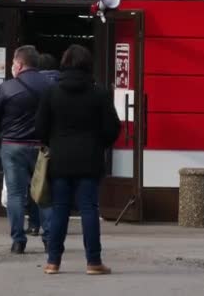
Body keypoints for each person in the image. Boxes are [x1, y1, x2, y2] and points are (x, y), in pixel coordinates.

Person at [36, 44, 121, 275]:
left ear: (64, 63)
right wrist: (99, 144)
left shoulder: (51, 92)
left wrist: (52, 142)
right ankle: (93, 262)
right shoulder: (99, 93)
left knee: (60, 209)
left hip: (60, 159)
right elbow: (113, 127)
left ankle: (53, 262)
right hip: (89, 159)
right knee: (89, 209)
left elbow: (40, 127)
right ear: (88, 65)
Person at [0, 45, 53, 254]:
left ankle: (18, 241)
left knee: (16, 194)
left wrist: (6, 133)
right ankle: (49, 239)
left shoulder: (7, 87)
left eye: (13, 64)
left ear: (19, 64)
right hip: (41, 147)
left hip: (13, 146)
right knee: (43, 192)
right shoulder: (50, 86)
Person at [26, 53, 60, 237]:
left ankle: (33, 224)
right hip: (55, 141)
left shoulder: (34, 83)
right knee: (51, 183)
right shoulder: (60, 84)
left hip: (33, 139)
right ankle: (53, 223)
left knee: (36, 183)